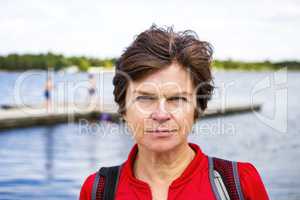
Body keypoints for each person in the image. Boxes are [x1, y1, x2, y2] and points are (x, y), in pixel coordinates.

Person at [79, 25, 269, 200]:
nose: (161, 115)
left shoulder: (239, 184)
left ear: (198, 108)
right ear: (123, 109)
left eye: (177, 99)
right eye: (145, 98)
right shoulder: (98, 190)